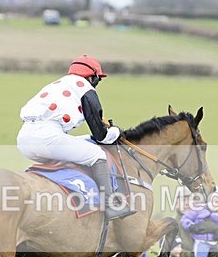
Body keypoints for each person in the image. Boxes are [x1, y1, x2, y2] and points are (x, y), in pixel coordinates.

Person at [16, 55, 133, 221]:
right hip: (47, 137)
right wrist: (116, 132)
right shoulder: (86, 89)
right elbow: (101, 135)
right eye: (98, 80)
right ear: (92, 77)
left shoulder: (58, 84)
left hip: (25, 139)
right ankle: (111, 206)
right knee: (97, 155)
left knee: (85, 141)